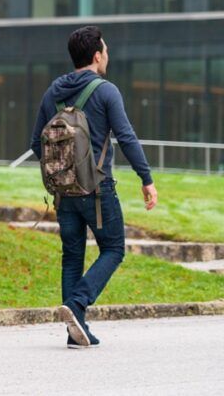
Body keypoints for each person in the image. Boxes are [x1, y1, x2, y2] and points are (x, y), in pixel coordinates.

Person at [30, 26, 158, 349]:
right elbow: (126, 137)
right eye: (106, 50)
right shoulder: (106, 91)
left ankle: (76, 331)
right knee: (114, 248)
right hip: (98, 190)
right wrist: (146, 178)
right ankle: (77, 305)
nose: (108, 55)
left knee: (71, 255)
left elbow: (36, 144)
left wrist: (63, 171)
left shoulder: (53, 92)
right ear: (97, 56)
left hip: (64, 194)